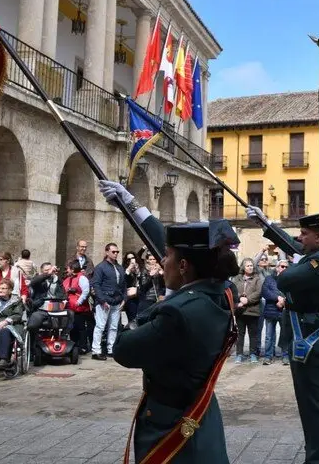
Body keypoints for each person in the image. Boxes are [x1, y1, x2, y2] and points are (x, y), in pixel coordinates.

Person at [100, 179, 238, 464]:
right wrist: (132, 205)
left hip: (169, 420)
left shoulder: (177, 312)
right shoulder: (225, 291)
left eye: (168, 258)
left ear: (185, 266)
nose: (162, 262)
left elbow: (123, 349)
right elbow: (172, 245)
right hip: (201, 411)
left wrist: (168, 297)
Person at [246, 204, 319, 464]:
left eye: (304, 233)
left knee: (313, 404)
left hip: (313, 339)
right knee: (309, 403)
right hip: (310, 337)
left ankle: (318, 459)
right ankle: (316, 455)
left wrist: (293, 263)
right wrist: (265, 223)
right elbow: (291, 244)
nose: (300, 238)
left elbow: (284, 280)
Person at [90, 242, 127, 361]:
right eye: (113, 252)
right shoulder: (101, 267)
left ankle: (111, 349)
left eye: (117, 252)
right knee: (100, 326)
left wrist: (124, 299)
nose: (116, 254)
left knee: (113, 327)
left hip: (116, 300)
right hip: (104, 301)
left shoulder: (119, 267)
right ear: (107, 252)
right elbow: (96, 284)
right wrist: (102, 300)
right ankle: (96, 351)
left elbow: (123, 285)